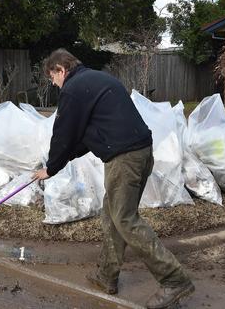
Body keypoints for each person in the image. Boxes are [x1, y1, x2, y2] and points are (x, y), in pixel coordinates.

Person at [33, 49, 194, 309]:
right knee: (112, 215)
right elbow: (87, 135)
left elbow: (63, 134)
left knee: (125, 220)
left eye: (53, 77)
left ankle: (174, 280)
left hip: (124, 159)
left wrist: (51, 168)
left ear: (61, 70)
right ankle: (107, 275)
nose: (53, 83)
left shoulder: (73, 89)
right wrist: (61, 161)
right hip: (141, 152)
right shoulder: (98, 80)